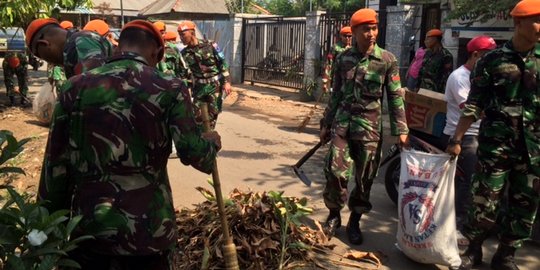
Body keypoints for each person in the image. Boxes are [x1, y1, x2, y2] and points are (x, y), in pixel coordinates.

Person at [38, 20, 221, 269]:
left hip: (89, 231)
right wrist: (210, 143)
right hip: (150, 233)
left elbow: (55, 167)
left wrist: (45, 232)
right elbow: (196, 155)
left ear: (117, 48)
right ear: (157, 53)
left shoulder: (74, 88)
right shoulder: (170, 88)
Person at [446, 1, 540, 269]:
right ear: (518, 23)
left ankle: (506, 254)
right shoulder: (491, 60)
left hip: (533, 149)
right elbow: (474, 104)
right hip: (496, 146)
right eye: (536, 20)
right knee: (484, 200)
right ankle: (474, 249)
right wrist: (457, 139)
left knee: (525, 204)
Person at [320, 8, 409, 245]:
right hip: (342, 126)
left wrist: (401, 130)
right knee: (336, 171)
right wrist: (325, 123)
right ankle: (334, 215)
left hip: (369, 130)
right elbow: (336, 94)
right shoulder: (343, 59)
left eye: (374, 28)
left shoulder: (387, 61)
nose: (371, 33)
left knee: (364, 178)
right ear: (355, 31)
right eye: (366, 29)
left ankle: (355, 221)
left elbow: (395, 96)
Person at [442, 35, 497, 233]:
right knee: (470, 180)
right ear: (475, 55)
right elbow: (472, 110)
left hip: (482, 133)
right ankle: (459, 224)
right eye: (487, 56)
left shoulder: (485, 77)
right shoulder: (460, 77)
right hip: (463, 135)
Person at [177, 20, 232, 129]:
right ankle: (203, 141)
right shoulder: (184, 54)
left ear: (192, 33)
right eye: (180, 35)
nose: (181, 38)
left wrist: (227, 82)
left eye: (183, 35)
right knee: (197, 118)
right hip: (198, 88)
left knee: (211, 117)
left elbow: (223, 64)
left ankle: (210, 142)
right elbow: (183, 75)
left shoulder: (211, 45)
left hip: (214, 86)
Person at [25, 18, 113, 79]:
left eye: (42, 56)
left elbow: (94, 89)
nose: (49, 62)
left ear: (44, 44)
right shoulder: (70, 51)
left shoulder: (81, 41)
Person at [417, 28, 453, 93]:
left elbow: (446, 78)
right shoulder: (427, 53)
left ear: (435, 39)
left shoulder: (446, 55)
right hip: (422, 90)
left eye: (428, 38)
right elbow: (421, 71)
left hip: (435, 92)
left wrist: (442, 96)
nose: (425, 41)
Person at [322, 26, 352, 92]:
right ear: (341, 36)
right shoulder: (335, 48)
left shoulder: (353, 49)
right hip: (337, 79)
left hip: (349, 80)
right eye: (345, 36)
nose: (347, 38)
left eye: (349, 36)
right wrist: (325, 81)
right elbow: (329, 63)